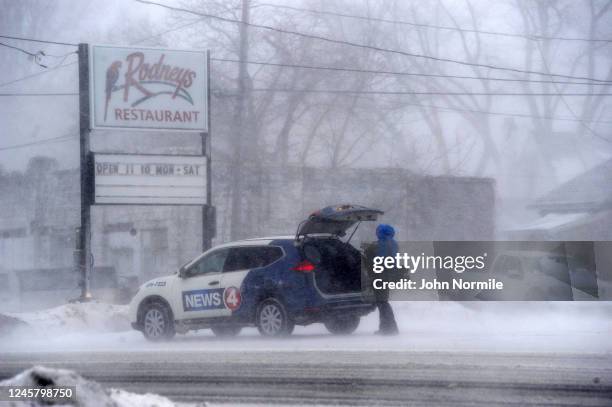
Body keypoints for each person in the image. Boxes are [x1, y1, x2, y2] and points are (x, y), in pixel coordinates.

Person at [372, 224, 399, 335]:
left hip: (381, 276)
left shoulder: (382, 244)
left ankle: (388, 328)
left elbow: (379, 260)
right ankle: (388, 327)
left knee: (382, 302)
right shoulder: (393, 243)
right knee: (383, 302)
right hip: (388, 276)